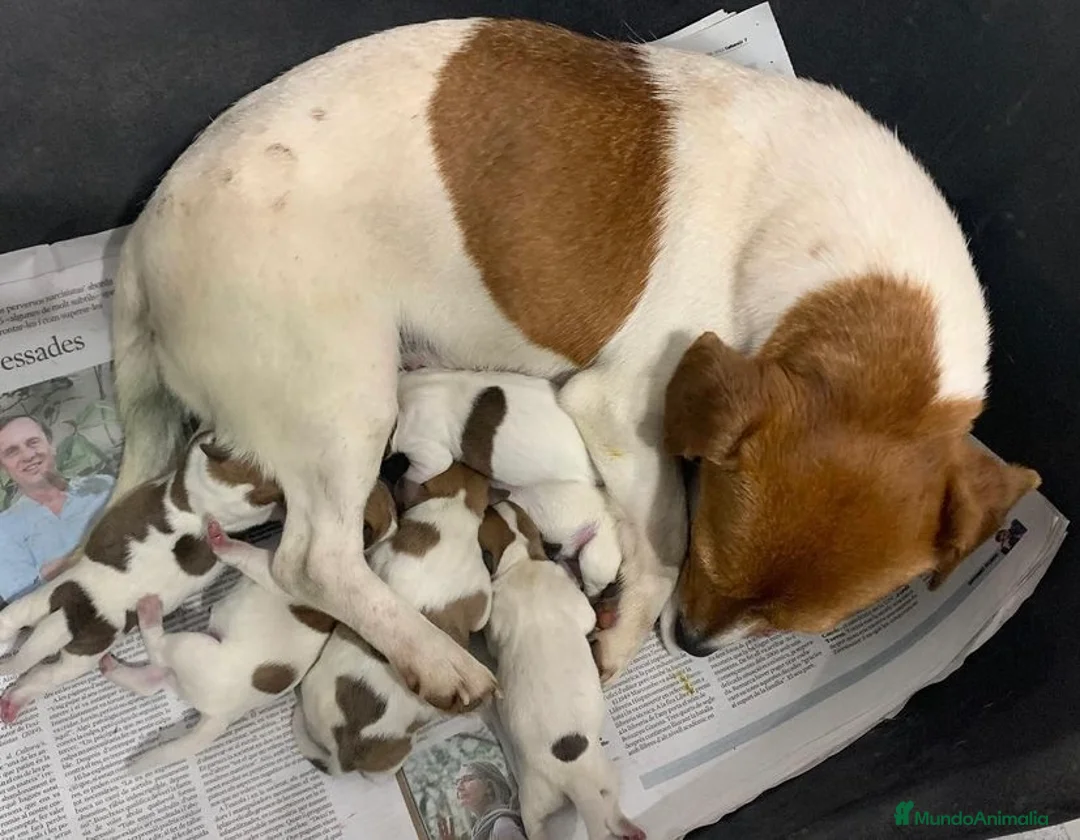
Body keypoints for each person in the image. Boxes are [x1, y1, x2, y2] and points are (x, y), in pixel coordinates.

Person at [0, 415, 115, 603]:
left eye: (33, 443)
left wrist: (52, 570)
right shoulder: (4, 528)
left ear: (51, 445)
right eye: (12, 452)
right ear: (3, 467)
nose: (28, 455)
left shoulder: (102, 487)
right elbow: (22, 601)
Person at [437, 760, 526, 840]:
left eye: (467, 779)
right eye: (457, 782)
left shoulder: (503, 827)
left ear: (489, 786)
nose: (459, 787)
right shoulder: (480, 830)